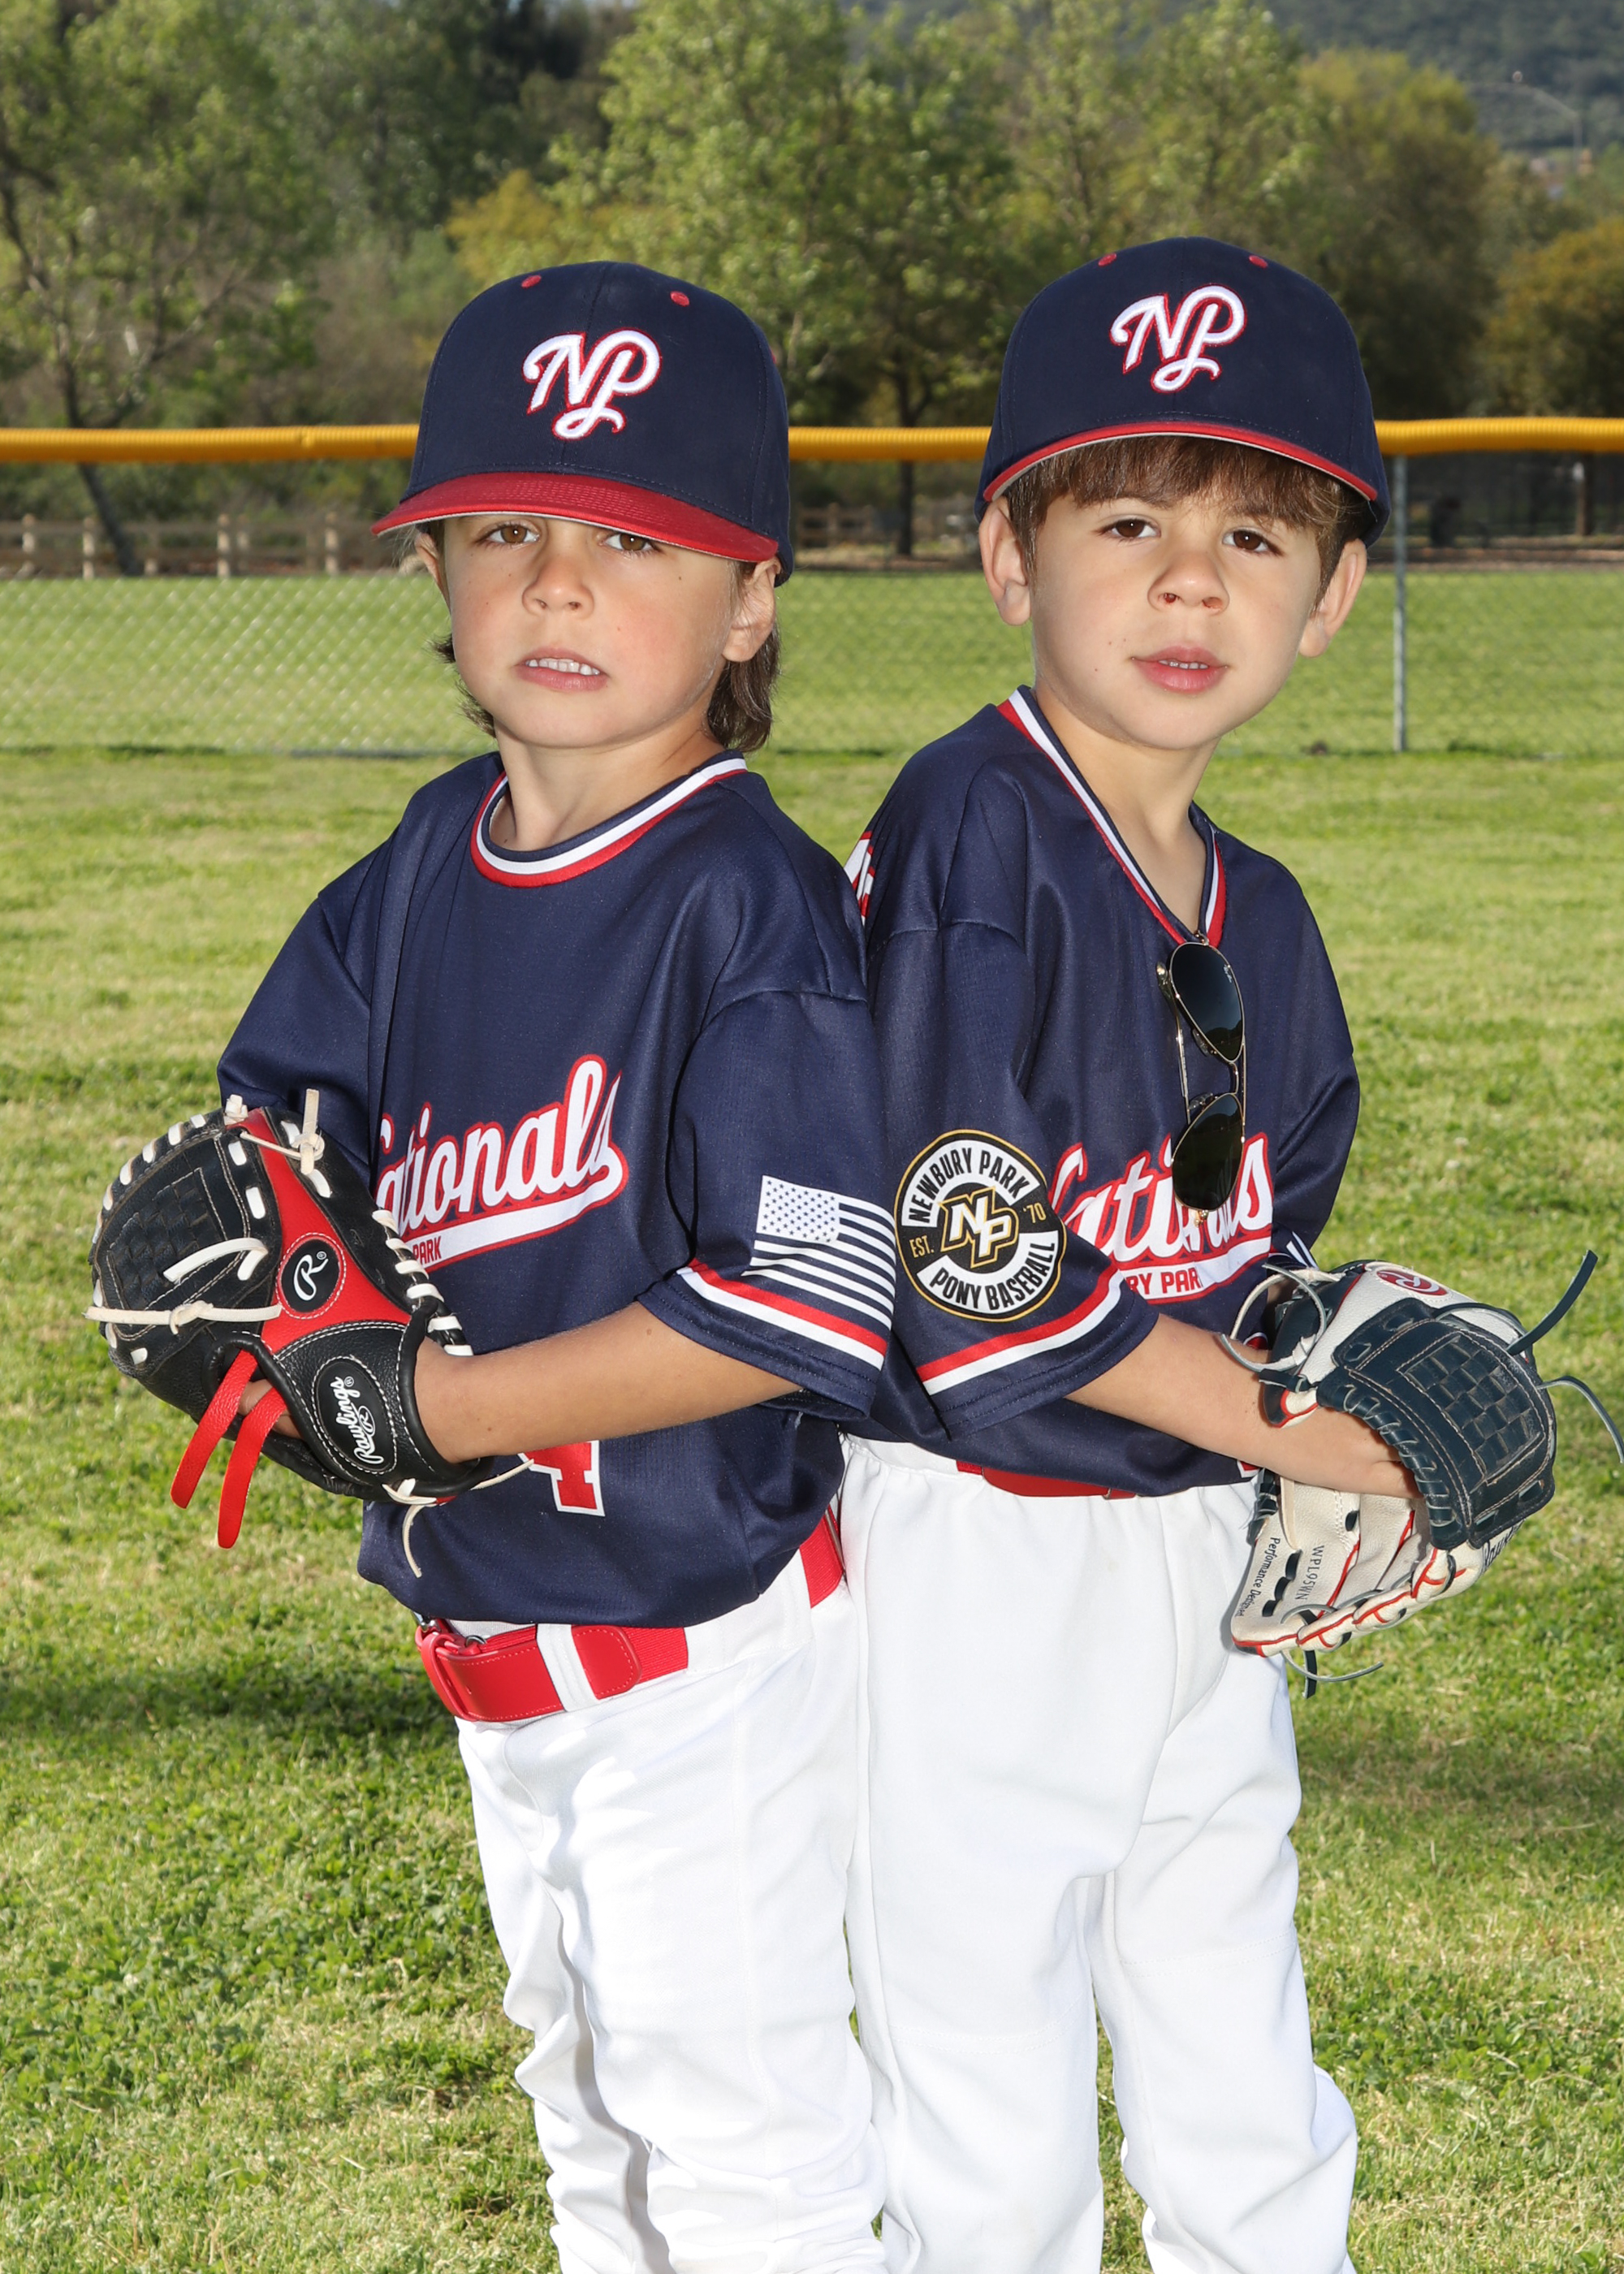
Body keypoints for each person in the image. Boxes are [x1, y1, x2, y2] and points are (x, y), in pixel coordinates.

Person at [218, 263, 892, 2273]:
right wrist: (281, 1278)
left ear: (752, 601)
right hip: (508, 1642)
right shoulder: (424, 864)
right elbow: (273, 1134)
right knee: (592, 2121)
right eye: (505, 526)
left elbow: (795, 1304)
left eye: (635, 536)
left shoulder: (746, 903)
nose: (560, 582)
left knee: (742, 2153)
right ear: (434, 573)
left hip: (707, 1656)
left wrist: (435, 1405)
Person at [840, 239, 1403, 2274]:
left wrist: (1334, 1395)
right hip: (977, 1545)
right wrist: (1296, 1425)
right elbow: (971, 1272)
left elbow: (1272, 1231)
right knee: (983, 2072)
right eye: (1126, 521)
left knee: (1232, 2027)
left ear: (1329, 595)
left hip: (1187, 1545)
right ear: (1010, 554)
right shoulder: (975, 827)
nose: (1188, 585)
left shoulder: (1268, 912)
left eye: (1253, 535)